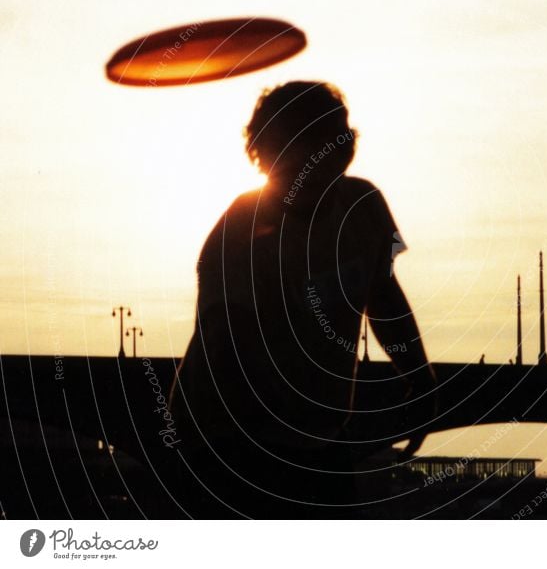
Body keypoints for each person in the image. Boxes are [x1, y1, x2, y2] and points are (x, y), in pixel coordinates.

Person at [167, 81, 436, 518]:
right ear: (276, 148)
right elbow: (224, 345)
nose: (343, 140)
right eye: (324, 131)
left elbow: (383, 294)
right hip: (228, 442)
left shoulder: (364, 205)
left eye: (342, 129)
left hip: (318, 437)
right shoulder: (242, 229)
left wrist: (421, 380)